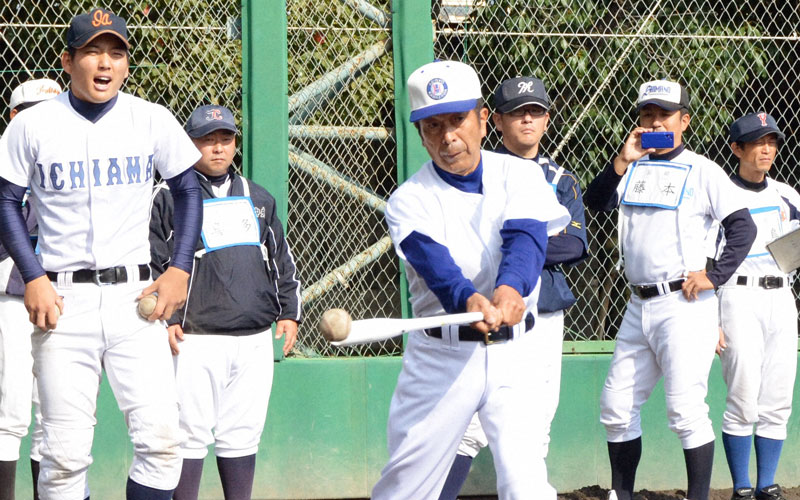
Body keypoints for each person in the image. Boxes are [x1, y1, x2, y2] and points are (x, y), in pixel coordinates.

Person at [0, 9, 204, 499]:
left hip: (135, 300)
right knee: (63, 458)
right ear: (68, 61)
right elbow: (5, 199)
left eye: (116, 52)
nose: (105, 63)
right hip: (62, 301)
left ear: (127, 63)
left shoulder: (150, 117)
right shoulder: (33, 125)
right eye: (93, 52)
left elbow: (188, 190)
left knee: (162, 445)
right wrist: (32, 274)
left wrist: (180, 267)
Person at [371, 60, 570, 500]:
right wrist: (468, 299)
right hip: (442, 358)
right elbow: (435, 266)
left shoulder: (520, 174)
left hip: (516, 354)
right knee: (405, 489)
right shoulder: (408, 200)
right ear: (420, 133)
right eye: (432, 126)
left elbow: (526, 238)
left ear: (482, 119)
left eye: (457, 120)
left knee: (527, 485)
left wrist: (511, 289)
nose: (447, 137)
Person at [583, 79, 756, 500]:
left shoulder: (703, 169)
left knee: (685, 410)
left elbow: (743, 227)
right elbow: (595, 201)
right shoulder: (633, 165)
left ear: (685, 121)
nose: (655, 122)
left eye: (665, 114)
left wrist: (714, 275)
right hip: (637, 304)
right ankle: (621, 493)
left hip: (684, 303)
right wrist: (622, 160)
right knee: (616, 407)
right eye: (648, 115)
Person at [438, 76, 589, 499]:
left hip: (543, 316)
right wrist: (529, 240)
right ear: (496, 121)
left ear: (546, 120)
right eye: (517, 112)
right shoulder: (474, 172)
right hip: (487, 311)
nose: (527, 119)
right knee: (468, 424)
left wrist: (517, 242)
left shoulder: (560, 178)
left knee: (536, 424)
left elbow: (574, 244)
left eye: (535, 111)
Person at [148, 104, 301, 500]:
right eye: (207, 140)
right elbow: (153, 261)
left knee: (242, 434)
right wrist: (169, 318)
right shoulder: (168, 196)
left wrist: (289, 312)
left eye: (225, 139)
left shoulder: (258, 196)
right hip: (194, 336)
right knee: (188, 433)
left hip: (253, 336)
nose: (218, 148)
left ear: (235, 143)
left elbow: (280, 259)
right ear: (188, 143)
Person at [716, 112, 799, 500]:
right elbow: (706, 259)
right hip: (738, 295)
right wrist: (710, 317)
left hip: (780, 294)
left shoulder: (788, 195)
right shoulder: (720, 194)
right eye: (757, 142)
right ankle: (741, 487)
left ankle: (767, 484)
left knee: (778, 397)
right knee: (743, 395)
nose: (767, 149)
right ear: (737, 148)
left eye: (771, 141)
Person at [0, 77, 61, 500]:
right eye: (33, 114)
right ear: (13, 117)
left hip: (65, 296)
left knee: (54, 411)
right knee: (12, 409)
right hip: (11, 298)